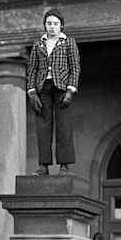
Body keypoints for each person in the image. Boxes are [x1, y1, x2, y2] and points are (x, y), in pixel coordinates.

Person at [26, 9, 81, 175]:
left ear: (61, 25)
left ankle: (64, 165)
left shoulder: (68, 43)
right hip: (43, 88)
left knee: (64, 126)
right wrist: (32, 92)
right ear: (45, 25)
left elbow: (75, 67)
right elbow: (32, 70)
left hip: (62, 89)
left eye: (55, 24)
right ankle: (44, 165)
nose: (52, 27)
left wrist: (71, 90)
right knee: (43, 127)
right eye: (49, 23)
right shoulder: (38, 45)